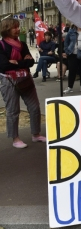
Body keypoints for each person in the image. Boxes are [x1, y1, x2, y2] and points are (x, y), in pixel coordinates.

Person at [0, 18, 45, 148]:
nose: (18, 29)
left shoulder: (23, 44)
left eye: (18, 26)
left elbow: (30, 62)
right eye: (15, 27)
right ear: (7, 29)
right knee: (13, 110)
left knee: (35, 107)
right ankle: (15, 139)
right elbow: (3, 65)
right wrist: (19, 63)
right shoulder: (1, 45)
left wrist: (15, 63)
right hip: (9, 81)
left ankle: (36, 134)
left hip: (25, 79)